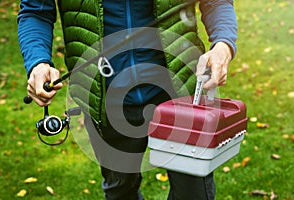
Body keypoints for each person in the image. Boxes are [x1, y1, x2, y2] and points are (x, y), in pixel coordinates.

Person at [18, 0, 237, 199]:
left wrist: (223, 44)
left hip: (180, 91)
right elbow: (36, 11)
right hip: (103, 98)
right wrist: (38, 62)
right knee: (120, 191)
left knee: (194, 193)